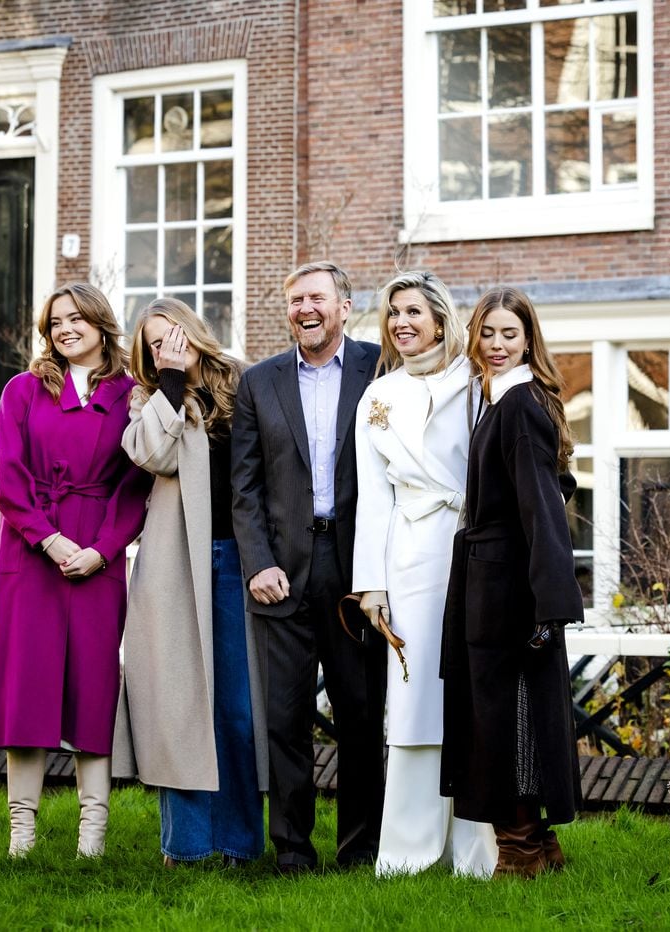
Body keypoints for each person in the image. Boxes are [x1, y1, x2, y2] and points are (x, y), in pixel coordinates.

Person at [0, 281, 150, 858]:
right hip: (30, 557)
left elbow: (136, 486)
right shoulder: (23, 391)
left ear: (102, 323)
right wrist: (49, 541)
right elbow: (6, 477)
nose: (65, 329)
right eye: (55, 322)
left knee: (93, 689)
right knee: (25, 690)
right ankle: (21, 833)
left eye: (76, 319)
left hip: (97, 560)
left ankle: (91, 838)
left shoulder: (132, 394)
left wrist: (102, 550)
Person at [231, 261, 387, 874]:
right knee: (285, 720)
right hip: (282, 574)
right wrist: (257, 564)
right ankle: (292, 851)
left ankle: (360, 852)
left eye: (317, 297)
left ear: (344, 307)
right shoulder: (258, 382)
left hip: (357, 571)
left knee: (359, 715)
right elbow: (243, 487)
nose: (305, 309)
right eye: (295, 299)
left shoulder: (380, 369)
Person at [112, 298, 267, 868]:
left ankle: (240, 843)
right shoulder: (150, 400)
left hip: (238, 560)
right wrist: (172, 383)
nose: (165, 347)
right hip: (177, 563)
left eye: (171, 335)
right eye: (154, 344)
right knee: (180, 706)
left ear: (194, 329)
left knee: (236, 707)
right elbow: (152, 454)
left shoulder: (246, 381)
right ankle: (188, 844)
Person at [353, 270, 498, 878]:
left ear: (441, 318)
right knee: (413, 700)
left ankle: (477, 852)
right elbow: (372, 497)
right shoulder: (378, 396)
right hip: (409, 553)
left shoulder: (480, 385)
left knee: (470, 694)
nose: (401, 323)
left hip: (471, 549)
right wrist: (371, 584)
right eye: (393, 314)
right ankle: (407, 853)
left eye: (414, 311)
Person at [440, 286, 584, 878]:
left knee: (507, 717)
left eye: (510, 335)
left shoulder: (519, 403)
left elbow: (542, 509)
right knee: (505, 713)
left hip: (508, 592)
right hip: (490, 579)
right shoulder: (499, 399)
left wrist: (549, 604)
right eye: (488, 333)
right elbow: (551, 484)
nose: (496, 345)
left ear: (528, 341)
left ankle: (520, 848)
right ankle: (541, 847)